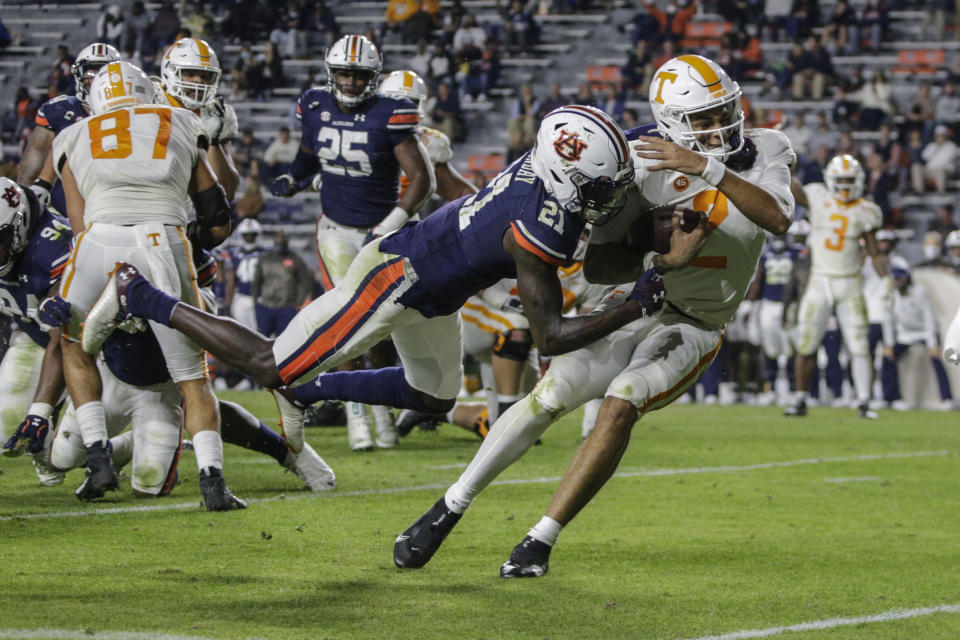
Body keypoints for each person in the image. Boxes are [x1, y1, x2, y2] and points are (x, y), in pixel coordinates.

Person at [392, 54, 796, 577]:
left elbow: (779, 217)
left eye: (725, 112)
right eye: (704, 120)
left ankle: (539, 540)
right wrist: (657, 257)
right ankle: (448, 507)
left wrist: (704, 166)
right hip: (643, 299)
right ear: (671, 122)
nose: (721, 128)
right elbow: (603, 264)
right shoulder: (640, 163)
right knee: (549, 397)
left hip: (695, 322)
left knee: (621, 401)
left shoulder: (766, 148)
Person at [82, 105, 667, 466]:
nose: (604, 198)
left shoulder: (547, 169)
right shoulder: (537, 225)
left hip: (435, 288)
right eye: (594, 188)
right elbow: (552, 338)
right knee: (269, 364)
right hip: (397, 274)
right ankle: (142, 295)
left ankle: (311, 392)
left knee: (434, 398)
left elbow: (626, 143)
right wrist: (638, 301)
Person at [51, 61, 242, 509]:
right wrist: (192, 237)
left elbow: (79, 226)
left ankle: (99, 457)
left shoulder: (73, 135)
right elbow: (217, 218)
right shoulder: (179, 120)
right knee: (193, 376)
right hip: (162, 240)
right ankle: (213, 483)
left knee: (74, 345)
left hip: (99, 238)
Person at [269, 35, 436, 452]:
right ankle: (360, 418)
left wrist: (390, 223)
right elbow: (308, 155)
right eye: (342, 72)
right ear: (330, 72)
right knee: (347, 319)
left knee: (379, 325)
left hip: (379, 232)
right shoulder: (315, 106)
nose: (348, 80)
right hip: (336, 231)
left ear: (372, 77)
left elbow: (423, 179)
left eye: (357, 73)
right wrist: (295, 177)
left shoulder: (388, 113)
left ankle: (381, 410)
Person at [784, 154, 888, 419]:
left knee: (859, 346)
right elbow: (791, 185)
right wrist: (784, 159)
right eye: (840, 179)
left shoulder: (867, 210)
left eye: (849, 180)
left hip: (850, 281)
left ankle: (864, 401)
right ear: (830, 179)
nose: (845, 184)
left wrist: (886, 280)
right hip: (820, 279)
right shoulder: (818, 196)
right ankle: (800, 399)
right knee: (806, 344)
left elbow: (875, 251)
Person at [17, 43, 121, 210]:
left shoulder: (135, 111)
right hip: (64, 215)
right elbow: (30, 172)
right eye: (92, 73)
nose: (99, 79)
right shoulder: (61, 110)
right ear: (79, 76)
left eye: (106, 72)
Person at [153, 37, 241, 202]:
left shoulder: (216, 113)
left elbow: (226, 192)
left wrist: (213, 142)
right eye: (190, 74)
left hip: (195, 208)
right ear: (169, 72)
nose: (198, 81)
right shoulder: (149, 103)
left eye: (205, 75)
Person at [379, 69, 478, 203]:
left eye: (409, 103)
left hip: (404, 221)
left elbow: (458, 192)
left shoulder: (427, 143)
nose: (402, 109)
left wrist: (489, 213)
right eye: (395, 101)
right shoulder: (355, 132)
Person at [252, 230, 313, 338]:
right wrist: (256, 301)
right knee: (261, 339)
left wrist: (298, 302)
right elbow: (256, 281)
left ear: (287, 240)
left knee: (285, 340)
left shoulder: (295, 259)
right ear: (274, 240)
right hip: (266, 306)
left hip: (287, 307)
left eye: (283, 238)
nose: (280, 241)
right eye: (278, 238)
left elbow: (305, 282)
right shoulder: (265, 258)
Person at [225, 218, 264, 330]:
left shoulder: (265, 253)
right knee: (242, 332)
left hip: (260, 298)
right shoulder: (234, 253)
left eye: (252, 235)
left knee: (261, 331)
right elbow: (231, 280)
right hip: (241, 297)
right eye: (246, 235)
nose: (249, 238)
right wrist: (228, 302)